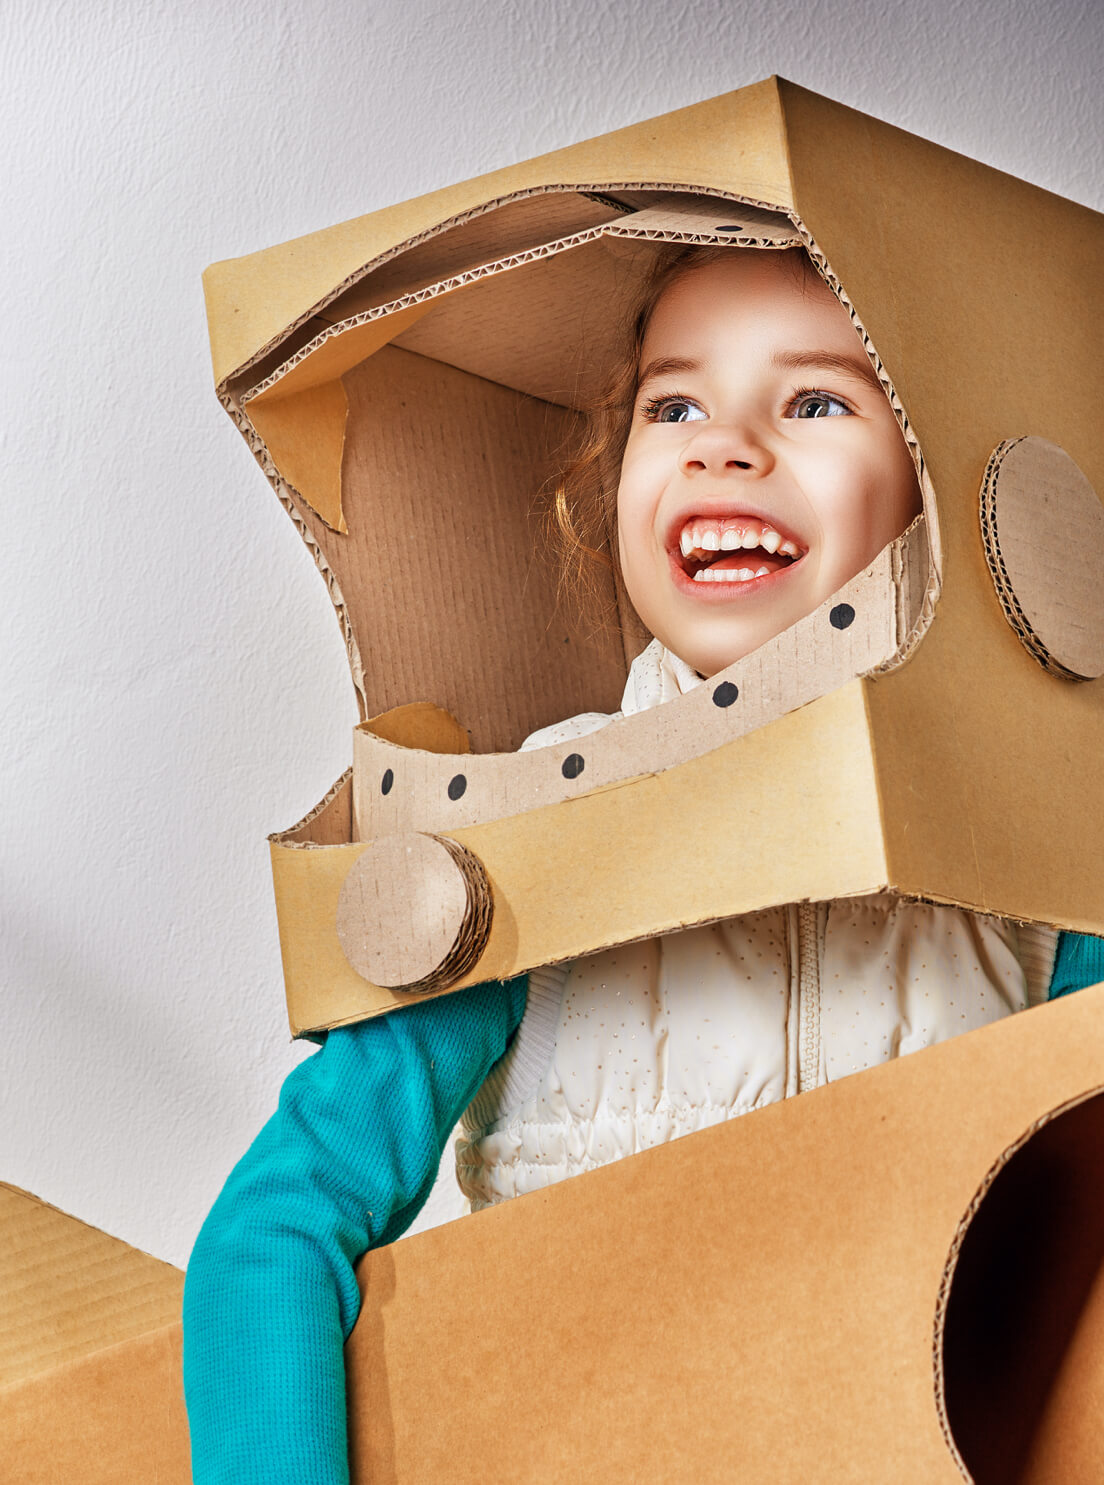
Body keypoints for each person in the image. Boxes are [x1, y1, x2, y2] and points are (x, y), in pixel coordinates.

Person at [182, 245, 1104, 1483]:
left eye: (816, 400)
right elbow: (276, 1232)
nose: (724, 446)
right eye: (675, 406)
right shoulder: (517, 847)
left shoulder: (1023, 881)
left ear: (940, 485)